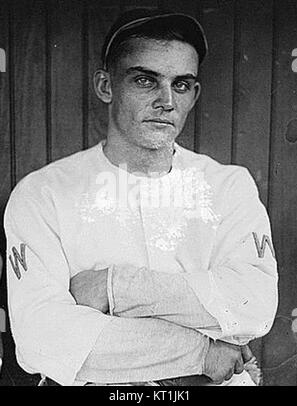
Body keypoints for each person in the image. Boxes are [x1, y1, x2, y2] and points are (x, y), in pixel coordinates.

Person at [4, 8, 278, 386]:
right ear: (106, 86)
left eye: (181, 84)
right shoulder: (43, 194)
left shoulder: (228, 186)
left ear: (194, 94)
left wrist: (114, 288)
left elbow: (256, 306)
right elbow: (43, 339)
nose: (166, 101)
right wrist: (203, 351)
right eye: (146, 81)